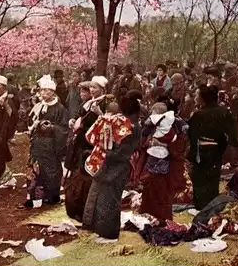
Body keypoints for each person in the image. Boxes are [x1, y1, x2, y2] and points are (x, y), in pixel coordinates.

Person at [82, 95, 141, 243]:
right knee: (102, 199)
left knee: (110, 200)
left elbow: (121, 152)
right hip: (112, 165)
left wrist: (104, 152)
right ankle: (101, 230)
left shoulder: (131, 128)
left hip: (118, 166)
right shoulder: (125, 124)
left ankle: (110, 234)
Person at [64, 76, 111, 222]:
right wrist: (73, 121)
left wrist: (99, 113)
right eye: (90, 87)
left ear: (102, 89)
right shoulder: (87, 103)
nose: (92, 90)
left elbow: (112, 124)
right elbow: (79, 115)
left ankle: (90, 207)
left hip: (95, 143)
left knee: (90, 174)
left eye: (95, 87)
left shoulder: (106, 103)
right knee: (79, 172)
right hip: (82, 140)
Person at [188, 85, 238, 211]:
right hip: (217, 149)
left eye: (197, 95)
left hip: (201, 150)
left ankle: (201, 207)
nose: (195, 97)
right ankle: (212, 206)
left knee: (200, 179)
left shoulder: (198, 115)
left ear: (202, 99)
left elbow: (192, 136)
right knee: (213, 178)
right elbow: (232, 134)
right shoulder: (224, 112)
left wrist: (192, 153)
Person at [20, 78, 69, 208]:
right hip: (37, 144)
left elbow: (64, 128)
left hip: (51, 145)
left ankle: (51, 196)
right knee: (34, 168)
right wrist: (33, 125)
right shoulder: (38, 106)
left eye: (47, 90)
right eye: (42, 90)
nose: (44, 92)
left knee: (50, 170)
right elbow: (30, 121)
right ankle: (33, 196)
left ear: (53, 92)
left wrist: (52, 128)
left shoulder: (60, 109)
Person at [139, 96, 189, 220]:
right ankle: (151, 212)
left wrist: (160, 143)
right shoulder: (166, 124)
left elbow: (177, 143)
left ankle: (158, 214)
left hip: (161, 160)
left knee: (158, 186)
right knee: (154, 186)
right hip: (157, 158)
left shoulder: (169, 125)